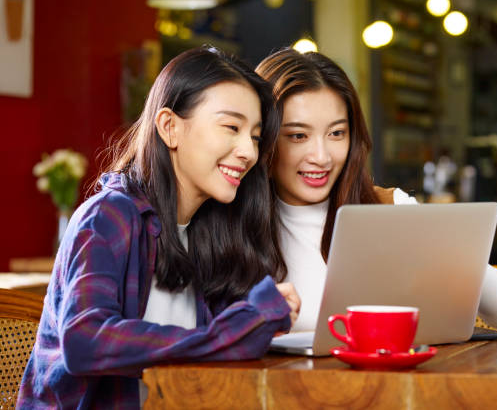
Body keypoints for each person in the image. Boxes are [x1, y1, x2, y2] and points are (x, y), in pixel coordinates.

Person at [18, 46, 300, 409]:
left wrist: (256, 322)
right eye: (231, 127)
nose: (248, 151)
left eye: (256, 136)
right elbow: (84, 341)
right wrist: (229, 332)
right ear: (169, 127)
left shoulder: (208, 233)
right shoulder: (108, 216)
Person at [255, 48, 497, 332]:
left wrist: (443, 243)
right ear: (263, 139)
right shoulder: (230, 228)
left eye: (337, 133)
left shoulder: (386, 208)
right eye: (298, 136)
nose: (322, 156)